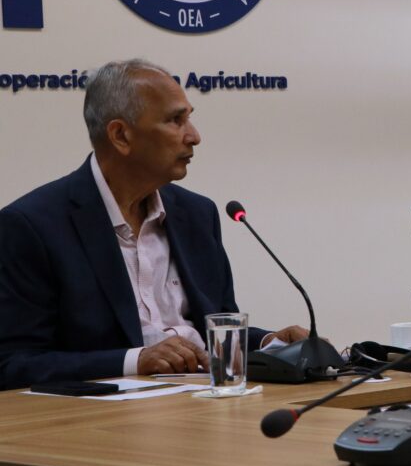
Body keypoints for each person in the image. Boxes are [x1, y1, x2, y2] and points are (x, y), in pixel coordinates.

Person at [0, 59, 308, 390]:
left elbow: (214, 329)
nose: (194, 136)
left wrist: (269, 344)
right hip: (103, 422)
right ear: (121, 136)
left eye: (190, 118)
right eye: (176, 121)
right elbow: (13, 364)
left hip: (206, 404)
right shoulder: (32, 226)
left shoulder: (197, 214)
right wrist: (136, 360)